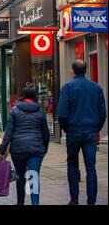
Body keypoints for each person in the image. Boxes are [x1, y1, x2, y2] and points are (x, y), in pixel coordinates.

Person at [58, 60, 107, 206]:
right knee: (91, 167)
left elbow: (62, 114)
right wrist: (96, 128)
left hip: (73, 131)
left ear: (72, 71)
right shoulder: (96, 88)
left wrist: (67, 128)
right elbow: (103, 113)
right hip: (91, 131)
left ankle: (74, 199)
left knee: (72, 164)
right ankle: (91, 200)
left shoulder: (67, 88)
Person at [0, 87, 50, 205]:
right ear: (35, 97)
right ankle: (35, 203)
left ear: (23, 96)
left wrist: (1, 150)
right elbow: (45, 133)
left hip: (18, 149)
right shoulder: (40, 111)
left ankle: (20, 202)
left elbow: (8, 133)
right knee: (33, 176)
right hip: (36, 150)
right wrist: (44, 148)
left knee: (20, 176)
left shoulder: (15, 110)